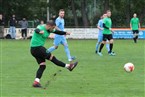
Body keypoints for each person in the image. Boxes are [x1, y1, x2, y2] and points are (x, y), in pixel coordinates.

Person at [30, 20, 78, 87]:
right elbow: (36, 30)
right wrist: (40, 32)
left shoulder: (49, 30)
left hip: (34, 50)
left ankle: (36, 82)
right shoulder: (41, 27)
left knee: (42, 66)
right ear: (49, 26)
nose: (53, 29)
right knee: (53, 58)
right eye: (53, 28)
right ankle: (69, 66)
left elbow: (58, 32)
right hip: (37, 48)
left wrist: (65, 33)